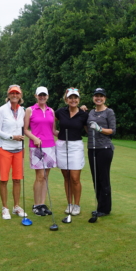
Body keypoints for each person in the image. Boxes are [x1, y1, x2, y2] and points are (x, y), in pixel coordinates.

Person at [0, 84, 27, 220]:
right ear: (8, 95)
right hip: (4, 149)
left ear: (20, 95)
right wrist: (12, 137)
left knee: (17, 179)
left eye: (17, 93)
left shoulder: (23, 111)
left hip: (19, 150)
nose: (14, 95)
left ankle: (16, 206)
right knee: (4, 179)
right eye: (12, 93)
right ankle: (5, 208)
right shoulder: (1, 110)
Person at [24, 86, 58, 216]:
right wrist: (34, 138)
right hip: (36, 146)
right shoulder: (30, 110)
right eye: (40, 95)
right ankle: (36, 205)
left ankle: (42, 204)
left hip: (50, 146)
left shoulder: (51, 111)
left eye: (44, 95)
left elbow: (53, 130)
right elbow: (25, 129)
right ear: (36, 96)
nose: (42, 97)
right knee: (39, 176)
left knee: (46, 176)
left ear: (48, 96)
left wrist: (69, 134)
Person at [55, 88, 88, 216]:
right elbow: (48, 120)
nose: (73, 100)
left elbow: (88, 130)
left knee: (75, 178)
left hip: (76, 147)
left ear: (79, 99)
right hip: (62, 146)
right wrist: (54, 132)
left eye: (75, 98)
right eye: (70, 98)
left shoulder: (84, 114)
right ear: (66, 99)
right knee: (66, 177)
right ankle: (69, 203)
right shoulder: (60, 112)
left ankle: (77, 204)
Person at [87, 87, 116, 217]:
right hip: (92, 148)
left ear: (105, 98)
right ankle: (100, 207)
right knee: (96, 179)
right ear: (93, 97)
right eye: (96, 96)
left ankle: (105, 209)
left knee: (103, 178)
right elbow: (86, 127)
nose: (98, 98)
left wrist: (99, 128)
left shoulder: (109, 112)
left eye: (101, 96)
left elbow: (112, 131)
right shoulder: (90, 112)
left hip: (104, 149)